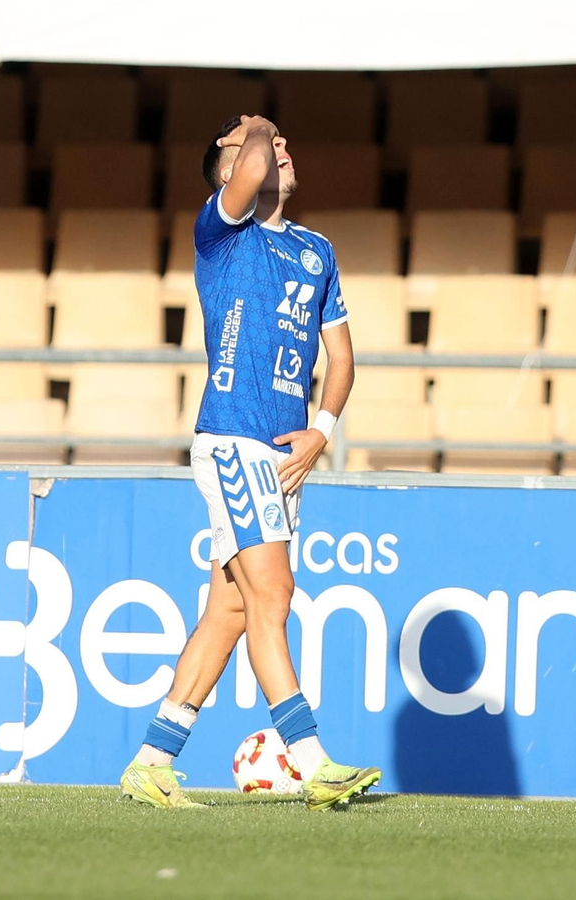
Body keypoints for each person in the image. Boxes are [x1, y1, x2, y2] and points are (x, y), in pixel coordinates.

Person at [119, 115, 382, 811]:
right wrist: (258, 124)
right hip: (232, 438)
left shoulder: (317, 250)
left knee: (231, 610)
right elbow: (256, 165)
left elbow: (344, 357)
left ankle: (152, 759)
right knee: (274, 594)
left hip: (284, 453)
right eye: (263, 149)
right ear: (231, 173)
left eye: (279, 142)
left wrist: (322, 430)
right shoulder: (221, 233)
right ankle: (311, 759)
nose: (279, 149)